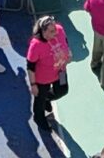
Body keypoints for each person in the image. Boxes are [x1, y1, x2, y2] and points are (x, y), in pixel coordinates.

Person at [26, 15, 72, 147]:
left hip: (60, 71)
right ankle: (39, 118)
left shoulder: (59, 30)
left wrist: (68, 53)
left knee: (62, 90)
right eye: (52, 31)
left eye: (55, 29)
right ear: (43, 32)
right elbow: (30, 66)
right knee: (39, 101)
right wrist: (33, 84)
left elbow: (65, 41)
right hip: (43, 79)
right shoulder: (36, 45)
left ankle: (47, 98)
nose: (55, 32)